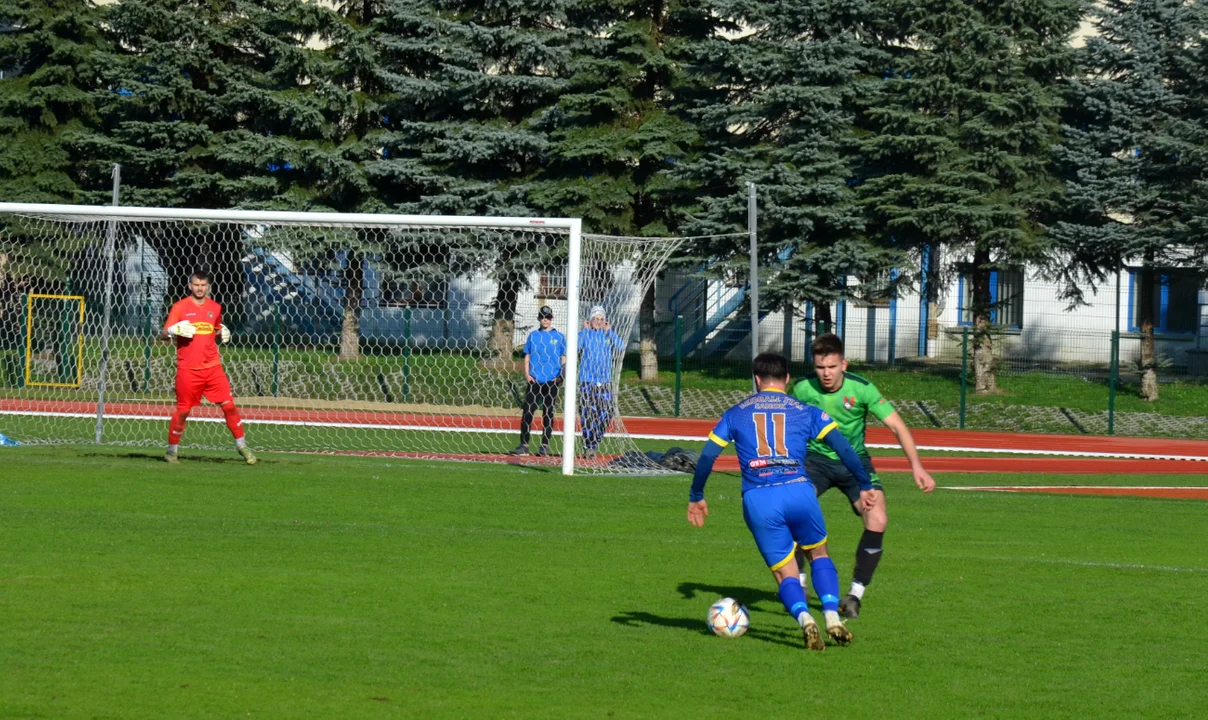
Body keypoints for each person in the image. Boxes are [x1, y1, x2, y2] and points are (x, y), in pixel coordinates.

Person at [687, 352, 877, 651]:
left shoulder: (736, 413)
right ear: (787, 380)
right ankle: (831, 616)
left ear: (757, 380)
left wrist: (696, 495)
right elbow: (844, 447)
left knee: (785, 572)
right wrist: (864, 484)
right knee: (819, 554)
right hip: (799, 491)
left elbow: (709, 455)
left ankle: (805, 620)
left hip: (759, 498)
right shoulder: (806, 410)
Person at [792, 333, 935, 618]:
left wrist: (916, 466)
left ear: (844, 364)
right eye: (820, 367)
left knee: (878, 518)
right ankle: (800, 582)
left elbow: (897, 426)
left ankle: (854, 595)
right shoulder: (802, 389)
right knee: (792, 509)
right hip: (814, 462)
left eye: (832, 367)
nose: (826, 374)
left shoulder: (863, 389)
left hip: (854, 463)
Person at [161, 271, 256, 465]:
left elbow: (216, 328)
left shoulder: (215, 307)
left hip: (213, 368)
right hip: (188, 368)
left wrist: (223, 332)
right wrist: (171, 331)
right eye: (196, 285)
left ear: (208, 286)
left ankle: (242, 446)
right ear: (189, 286)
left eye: (203, 285)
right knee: (184, 410)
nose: (199, 288)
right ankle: (171, 451)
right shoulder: (180, 307)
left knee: (229, 405)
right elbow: (163, 333)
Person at [508, 305, 566, 457]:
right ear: (539, 318)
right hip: (534, 381)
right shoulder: (533, 336)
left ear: (551, 319)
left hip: (551, 381)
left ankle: (544, 445)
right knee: (528, 412)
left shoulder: (559, 337)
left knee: (548, 413)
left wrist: (561, 376)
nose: (545, 319)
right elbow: (527, 355)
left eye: (547, 317)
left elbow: (564, 357)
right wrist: (527, 374)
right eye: (542, 317)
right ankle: (524, 445)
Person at [577, 305, 625, 458]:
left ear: (605, 321)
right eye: (595, 319)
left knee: (607, 412)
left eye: (601, 319)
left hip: (604, 382)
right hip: (587, 381)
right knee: (587, 414)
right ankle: (589, 445)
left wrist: (609, 331)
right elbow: (575, 347)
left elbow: (621, 347)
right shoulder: (586, 334)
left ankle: (596, 438)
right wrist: (584, 330)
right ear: (590, 321)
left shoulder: (607, 335)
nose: (598, 322)